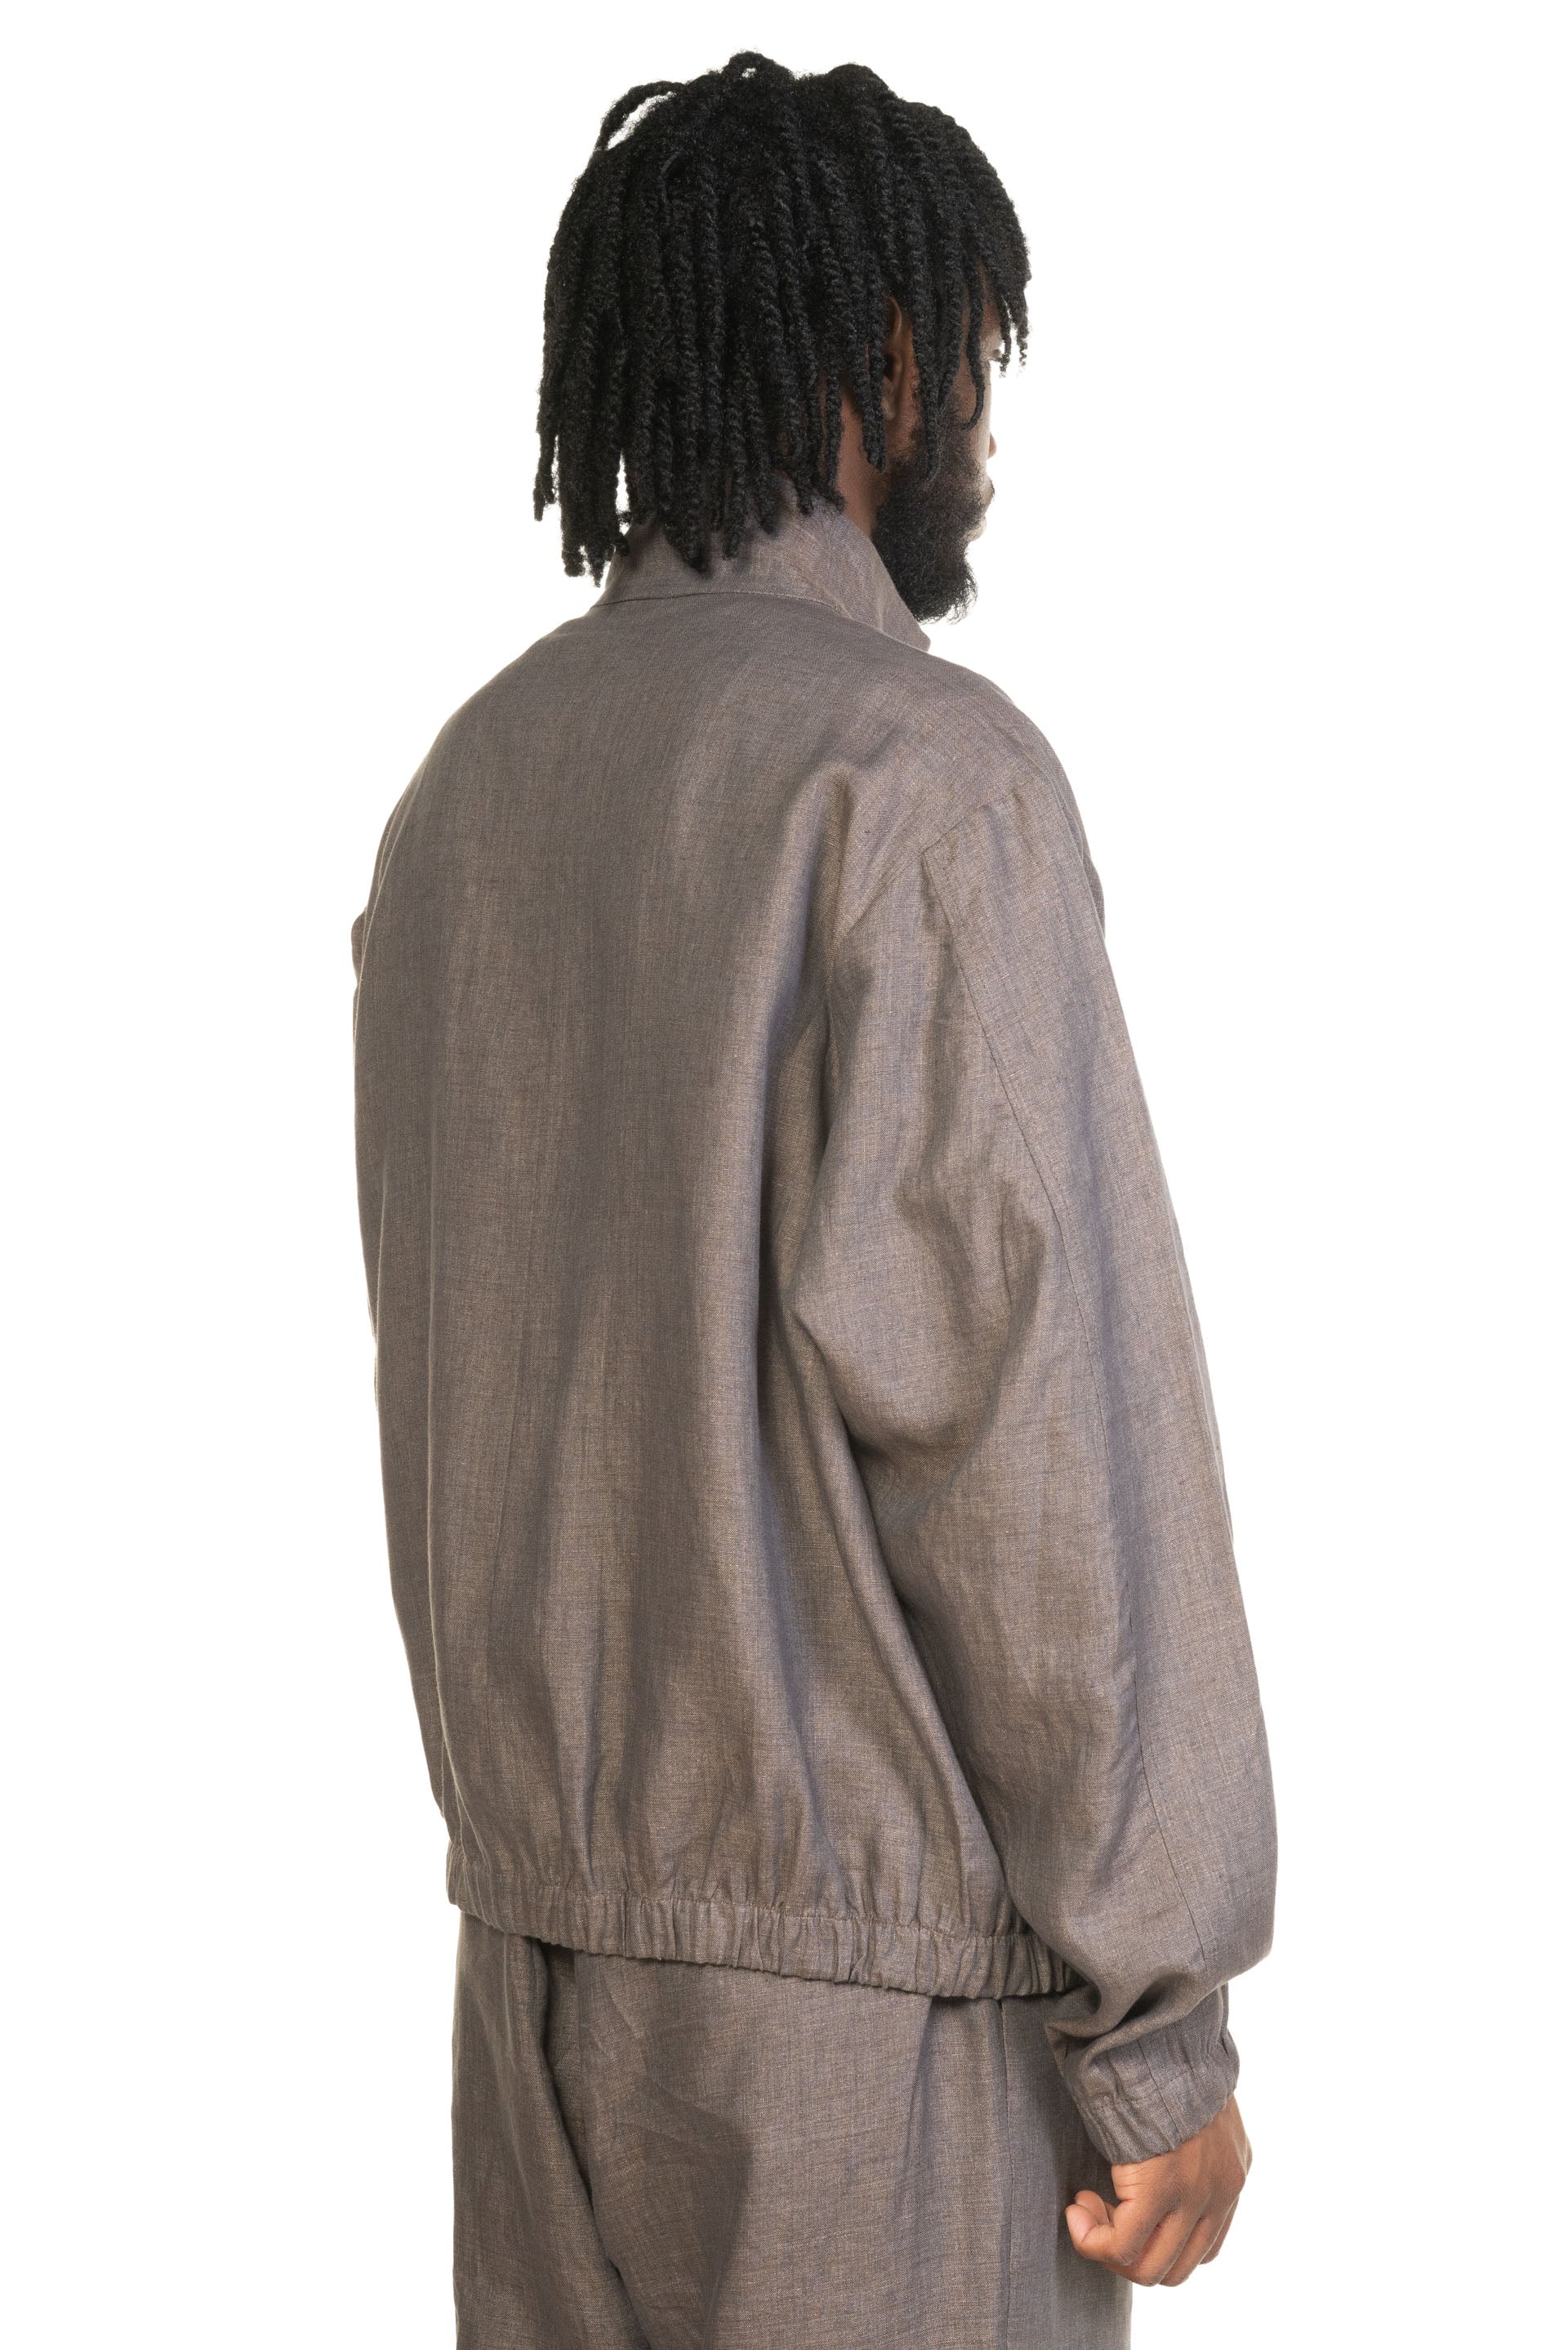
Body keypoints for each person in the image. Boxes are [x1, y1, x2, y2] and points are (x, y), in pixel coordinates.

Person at [351, 51, 1276, 2349]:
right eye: (966, 352)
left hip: (533, 1998)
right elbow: (1038, 1434)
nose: (980, 420)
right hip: (864, 2040)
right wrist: (1161, 2024)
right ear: (882, 358)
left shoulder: (469, 795)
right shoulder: (923, 786)